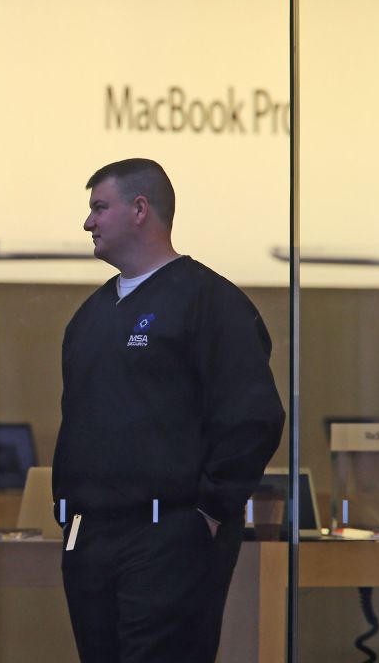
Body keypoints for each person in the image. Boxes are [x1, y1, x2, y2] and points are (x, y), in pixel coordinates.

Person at [52, 158, 285, 662]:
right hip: (91, 537)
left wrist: (207, 511)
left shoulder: (209, 302)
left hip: (171, 534)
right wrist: (67, 512)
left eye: (98, 207)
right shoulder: (90, 317)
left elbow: (253, 417)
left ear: (140, 210)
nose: (88, 222)